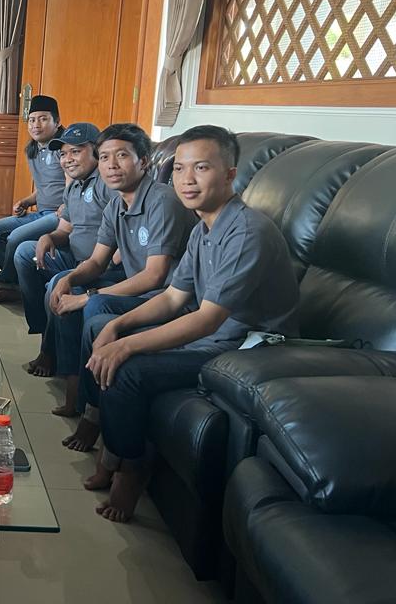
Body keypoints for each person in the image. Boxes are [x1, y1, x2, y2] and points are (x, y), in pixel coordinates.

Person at [75, 125, 299, 523]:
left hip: (248, 350)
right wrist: (118, 326)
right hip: (213, 337)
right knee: (103, 330)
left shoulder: (247, 231)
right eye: (179, 169)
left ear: (230, 174)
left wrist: (126, 345)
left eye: (201, 168)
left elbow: (208, 319)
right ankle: (113, 448)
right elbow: (173, 298)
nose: (187, 179)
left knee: (128, 369)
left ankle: (131, 469)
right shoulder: (203, 228)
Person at [48, 123, 196, 420]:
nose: (111, 165)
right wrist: (70, 278)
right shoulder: (116, 205)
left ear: (144, 161)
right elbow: (97, 262)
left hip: (170, 299)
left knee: (96, 304)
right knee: (64, 287)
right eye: (104, 157)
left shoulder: (162, 201)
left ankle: (92, 412)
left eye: (122, 155)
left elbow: (155, 276)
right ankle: (74, 388)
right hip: (144, 292)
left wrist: (88, 296)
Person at [8, 122, 117, 377]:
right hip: (73, 256)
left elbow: (120, 238)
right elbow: (64, 230)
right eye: (64, 153)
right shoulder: (75, 186)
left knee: (56, 284)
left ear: (97, 152)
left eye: (76, 152)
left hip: (99, 264)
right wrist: (49, 237)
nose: (68, 159)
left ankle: (51, 352)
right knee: (25, 252)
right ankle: (42, 329)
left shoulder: (107, 183)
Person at [0, 95, 66, 303]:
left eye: (43, 119)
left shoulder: (63, 150)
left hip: (60, 215)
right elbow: (45, 187)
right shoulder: (33, 150)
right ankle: (16, 283)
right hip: (41, 212)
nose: (36, 125)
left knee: (16, 237)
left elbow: (71, 185)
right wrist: (27, 201)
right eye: (32, 120)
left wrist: (67, 205)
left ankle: (4, 283)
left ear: (57, 122)